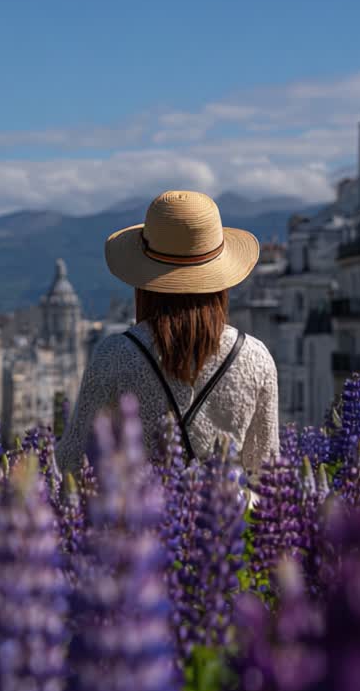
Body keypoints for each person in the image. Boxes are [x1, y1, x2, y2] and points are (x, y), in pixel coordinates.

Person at [57, 189, 278, 476]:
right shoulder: (255, 357)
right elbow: (266, 467)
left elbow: (71, 460)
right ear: (220, 281)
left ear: (143, 281)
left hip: (137, 515)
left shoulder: (114, 355)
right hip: (226, 516)